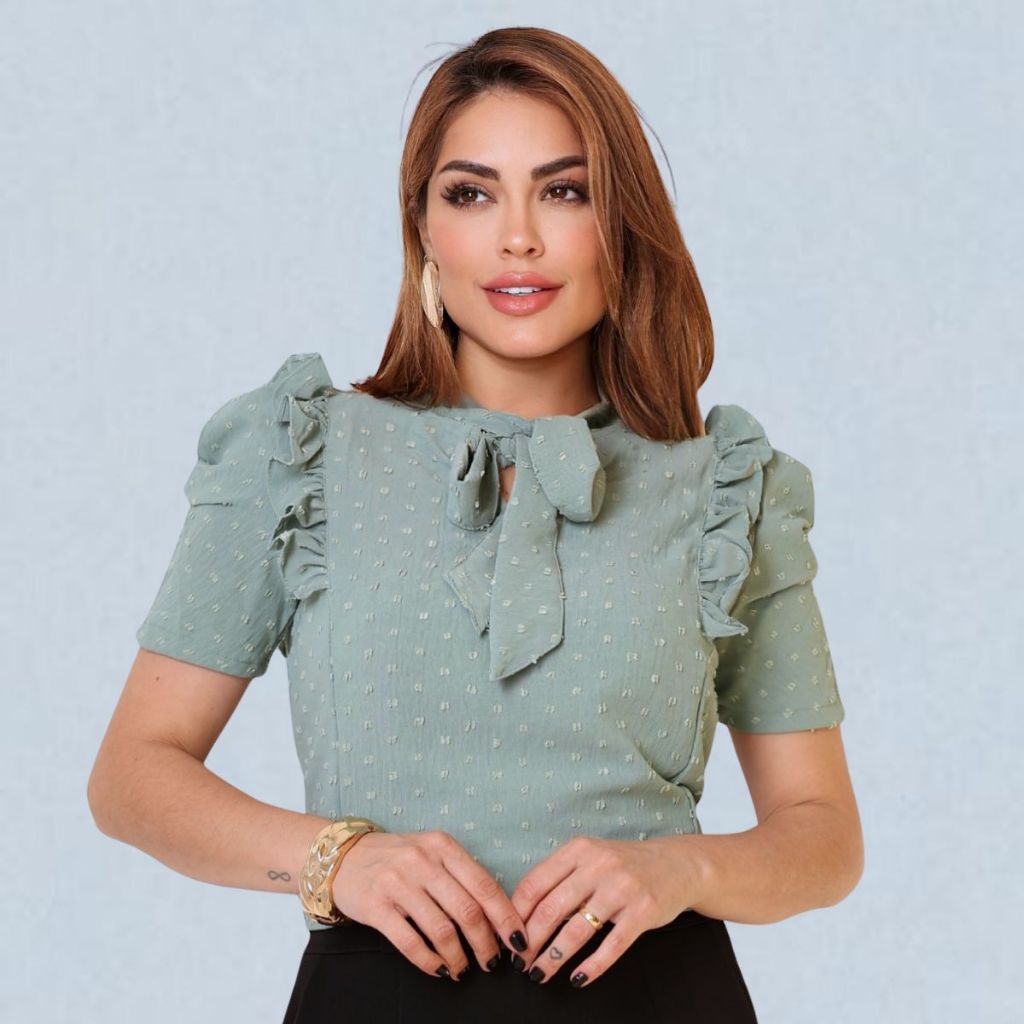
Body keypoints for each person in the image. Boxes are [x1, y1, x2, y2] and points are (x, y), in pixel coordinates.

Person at [87, 26, 863, 1024]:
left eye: (565, 191)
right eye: (471, 193)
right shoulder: (300, 454)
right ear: (423, 227)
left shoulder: (724, 489)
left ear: (621, 222)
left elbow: (823, 834)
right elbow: (133, 774)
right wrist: (339, 859)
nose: (518, 238)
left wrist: (680, 869)